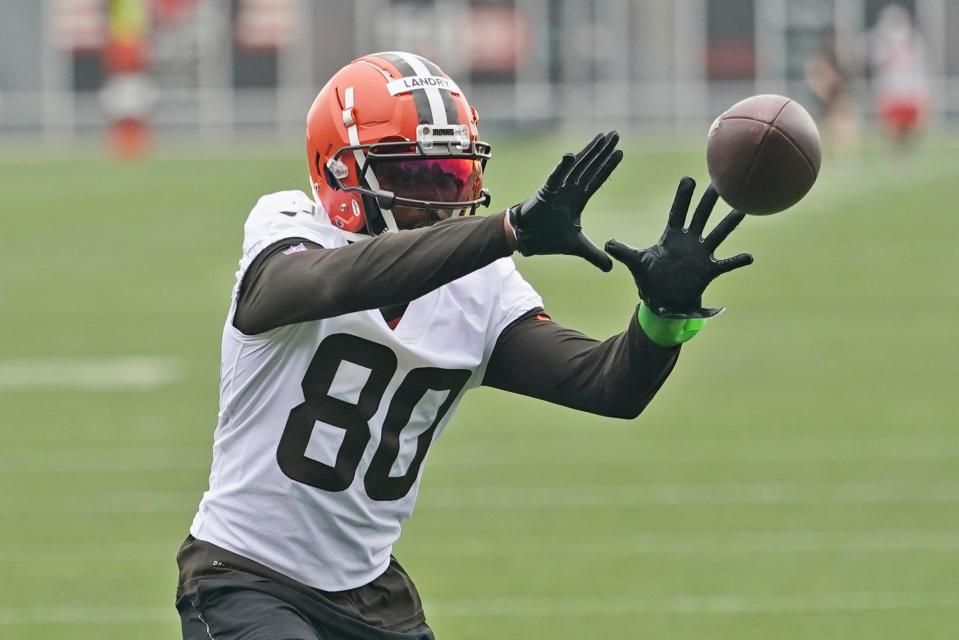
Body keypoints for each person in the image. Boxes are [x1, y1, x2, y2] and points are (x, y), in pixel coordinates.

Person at [175, 51, 753, 640]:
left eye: (451, 176)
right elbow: (318, 284)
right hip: (246, 575)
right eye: (411, 176)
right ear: (339, 172)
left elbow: (606, 384)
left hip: (370, 590)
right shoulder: (290, 226)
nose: (437, 200)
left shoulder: (482, 286)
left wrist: (662, 316)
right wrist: (506, 230)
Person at [870, 4, 929, 155]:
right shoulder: (905, 42)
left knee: (906, 127)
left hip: (902, 89)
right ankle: (899, 153)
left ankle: (901, 153)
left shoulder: (908, 43)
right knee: (895, 127)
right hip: (897, 89)